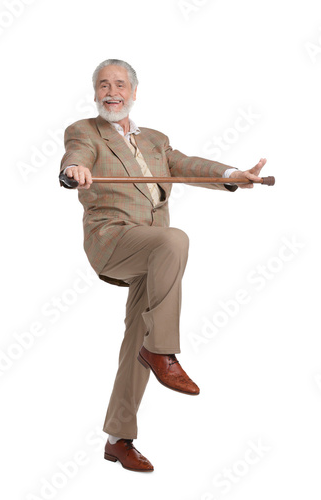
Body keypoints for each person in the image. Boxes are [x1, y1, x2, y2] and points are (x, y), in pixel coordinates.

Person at [59, 59, 266, 472]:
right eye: (103, 85)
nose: (111, 91)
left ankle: (119, 439)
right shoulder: (85, 132)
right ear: (95, 93)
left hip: (152, 257)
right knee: (175, 239)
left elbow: (185, 165)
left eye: (120, 84)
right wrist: (73, 170)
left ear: (134, 93)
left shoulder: (155, 140)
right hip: (114, 239)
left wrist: (231, 173)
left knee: (137, 336)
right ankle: (163, 351)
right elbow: (75, 154)